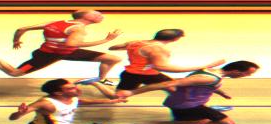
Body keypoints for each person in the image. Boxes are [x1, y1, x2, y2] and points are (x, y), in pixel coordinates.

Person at [83, 61, 259, 124]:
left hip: (188, 103)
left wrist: (221, 92)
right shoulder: (208, 77)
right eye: (247, 74)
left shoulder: (212, 73)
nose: (247, 76)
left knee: (190, 122)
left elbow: (207, 85)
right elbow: (169, 84)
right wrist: (132, 92)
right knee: (226, 122)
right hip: (187, 106)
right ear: (236, 71)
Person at [0, 9, 122, 83]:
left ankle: (100, 79)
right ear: (84, 17)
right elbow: (71, 43)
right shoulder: (78, 29)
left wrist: (16, 41)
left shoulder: (56, 22)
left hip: (68, 52)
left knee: (113, 59)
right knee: (14, 73)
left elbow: (22, 29)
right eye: (95, 14)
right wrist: (106, 40)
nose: (100, 15)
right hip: (48, 55)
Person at [79, 29, 224, 92]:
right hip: (145, 74)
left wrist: (130, 48)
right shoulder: (157, 49)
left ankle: (194, 105)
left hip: (131, 73)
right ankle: (94, 82)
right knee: (117, 98)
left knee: (174, 88)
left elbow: (113, 47)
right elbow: (162, 67)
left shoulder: (137, 42)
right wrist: (205, 65)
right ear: (175, 39)